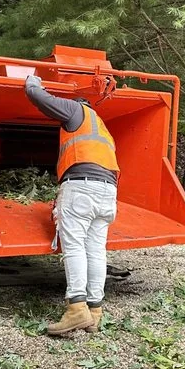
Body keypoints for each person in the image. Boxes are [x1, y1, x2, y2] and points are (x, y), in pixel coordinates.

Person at [24, 74, 119, 335]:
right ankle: (95, 311)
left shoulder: (77, 110)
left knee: (74, 246)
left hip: (81, 187)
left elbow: (39, 97)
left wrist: (33, 81)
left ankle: (76, 309)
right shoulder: (104, 130)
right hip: (107, 192)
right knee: (96, 250)